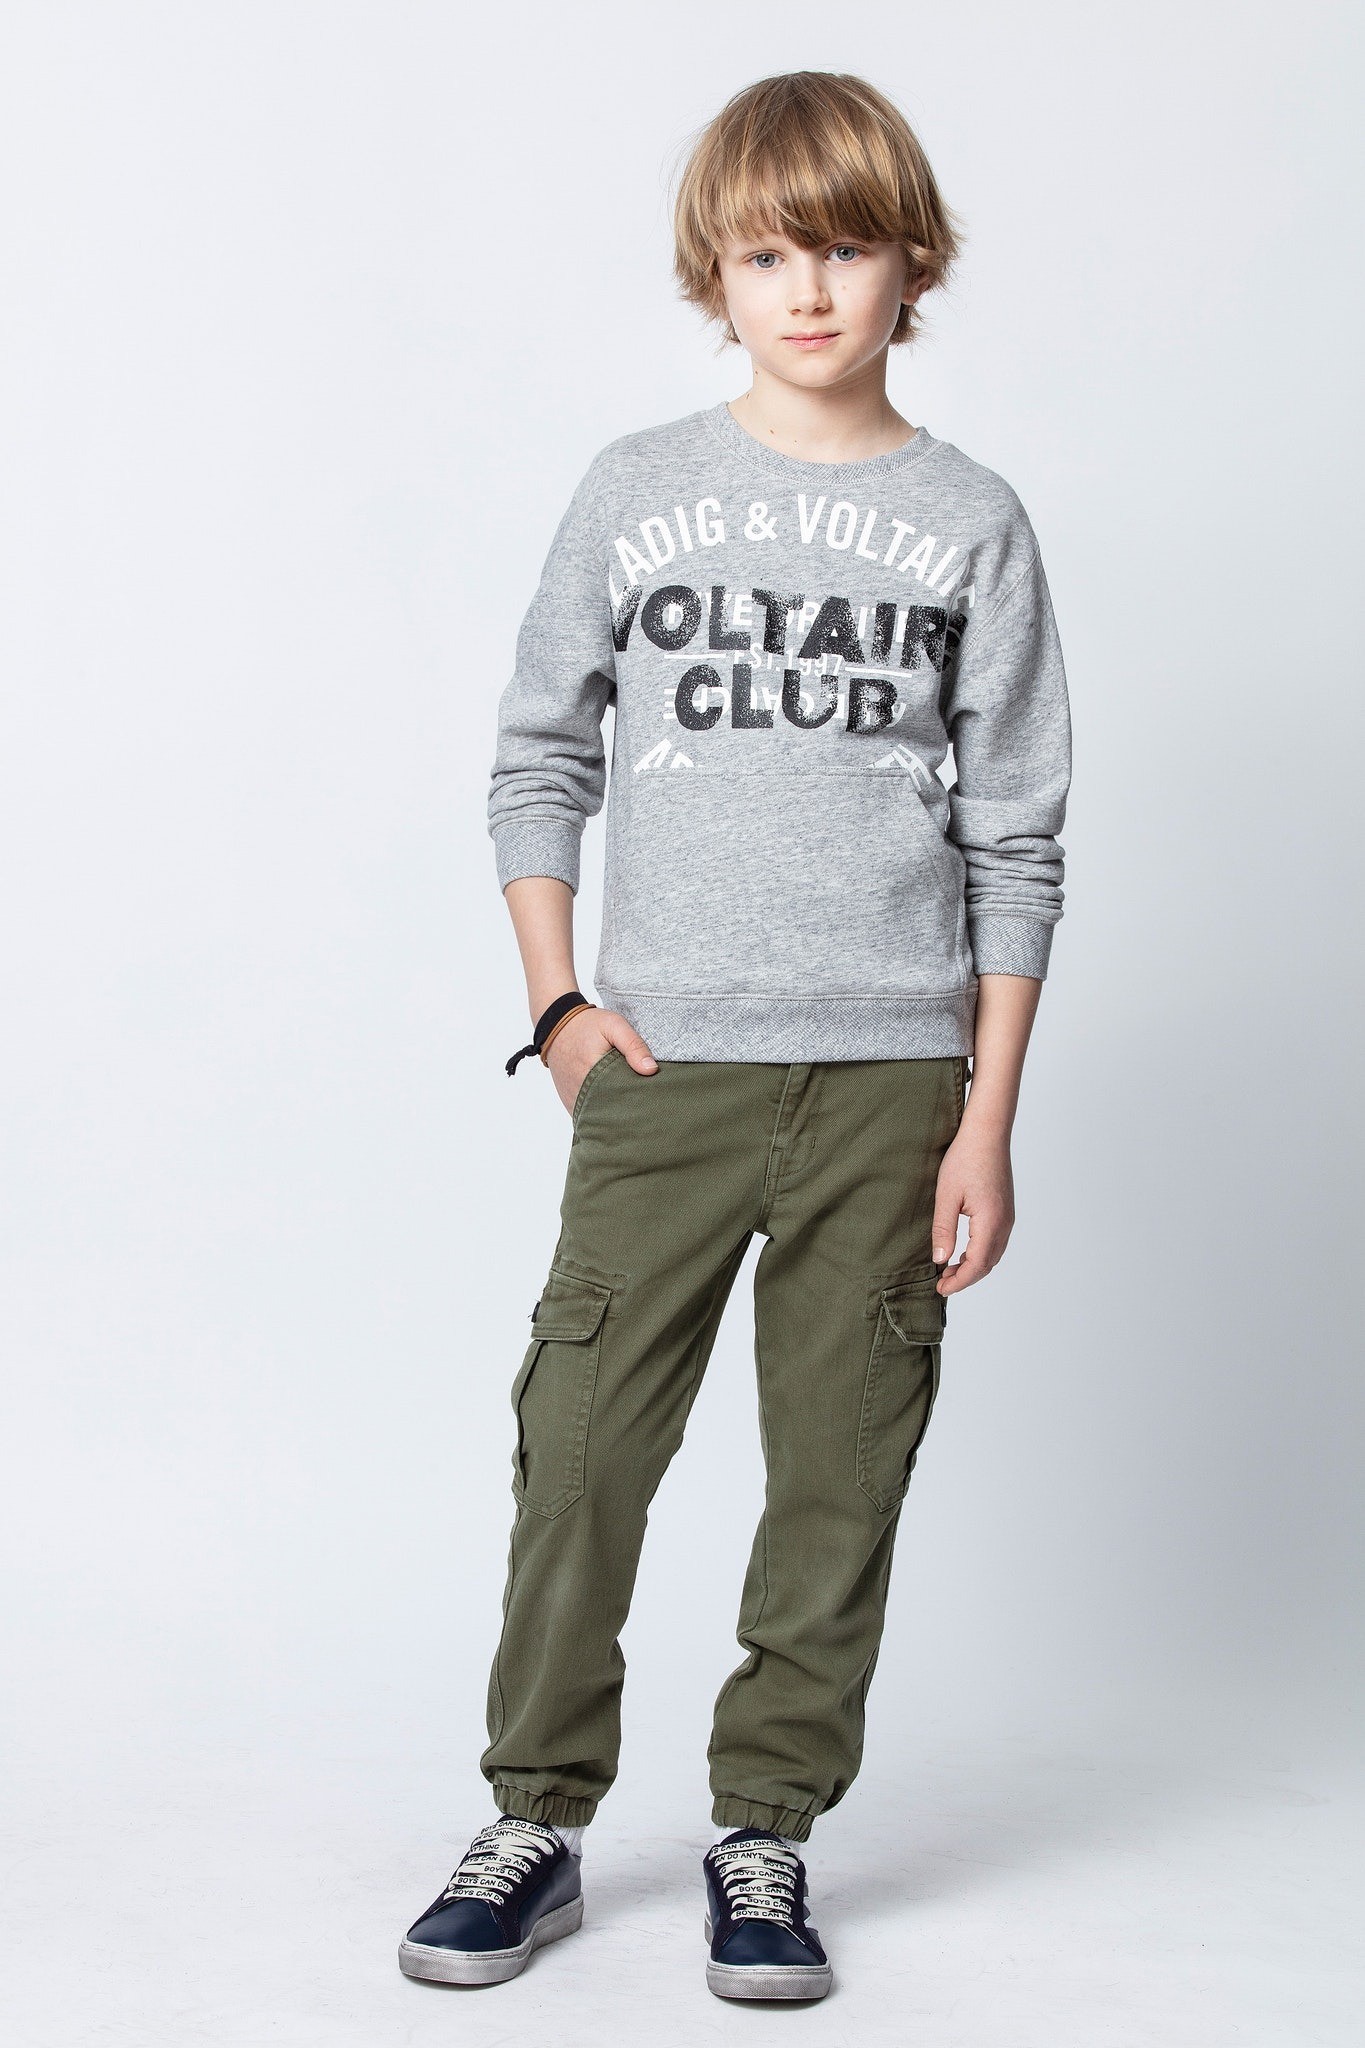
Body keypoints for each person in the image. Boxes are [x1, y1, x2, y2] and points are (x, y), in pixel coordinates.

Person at [398, 68, 1072, 2003]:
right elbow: (539, 755)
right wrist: (557, 1004)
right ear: (717, 271)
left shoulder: (971, 522)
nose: (808, 291)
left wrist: (983, 1118)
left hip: (889, 1085)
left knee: (839, 1473)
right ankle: (534, 1818)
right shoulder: (634, 489)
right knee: (580, 1451)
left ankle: (764, 1832)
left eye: (844, 250)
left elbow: (1016, 838)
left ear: (910, 263)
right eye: (769, 255)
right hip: (665, 1073)